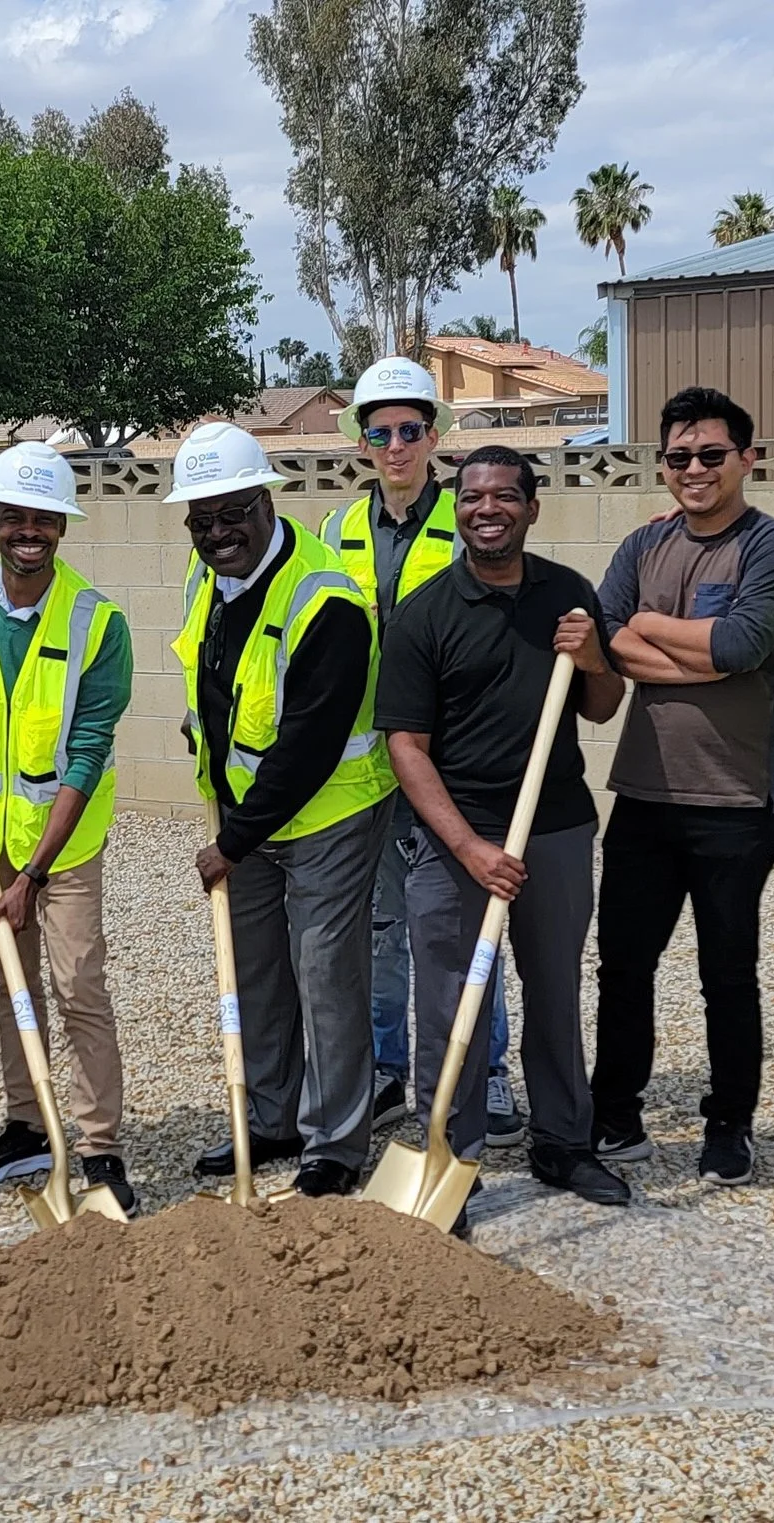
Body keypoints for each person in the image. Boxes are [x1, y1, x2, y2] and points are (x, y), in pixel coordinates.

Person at [377, 445, 631, 1232]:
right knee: (449, 1000)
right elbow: (406, 748)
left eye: (503, 497)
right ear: (458, 511)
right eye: (473, 498)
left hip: (553, 828)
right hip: (457, 840)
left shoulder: (568, 597)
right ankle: (452, 1156)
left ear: (531, 506)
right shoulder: (425, 612)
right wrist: (470, 849)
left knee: (555, 991)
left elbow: (600, 706)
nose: (487, 509)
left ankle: (562, 1140)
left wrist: (593, 659)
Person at [169, 421, 395, 1198]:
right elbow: (214, 677)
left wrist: (231, 841)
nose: (218, 534)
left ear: (267, 500)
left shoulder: (324, 599)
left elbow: (307, 745)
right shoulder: (210, 578)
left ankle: (334, 1142)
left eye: (233, 513)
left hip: (327, 814)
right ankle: (271, 1118)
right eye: (202, 521)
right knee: (258, 973)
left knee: (324, 973)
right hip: (248, 818)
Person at [0, 444, 138, 1213]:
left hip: (63, 846)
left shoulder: (98, 622)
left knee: (77, 982)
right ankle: (27, 1125)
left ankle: (100, 1145)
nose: (28, 530)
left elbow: (84, 756)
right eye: (15, 515)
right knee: (9, 982)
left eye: (43, 518)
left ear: (62, 529)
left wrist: (31, 876)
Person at [589, 388, 774, 1180]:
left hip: (735, 803)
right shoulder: (644, 547)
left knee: (726, 974)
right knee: (623, 965)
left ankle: (729, 1124)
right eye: (679, 457)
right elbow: (605, 638)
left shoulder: (772, 547)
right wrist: (685, 650)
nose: (695, 469)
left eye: (712, 454)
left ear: (747, 458)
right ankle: (615, 1112)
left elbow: (744, 645)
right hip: (643, 794)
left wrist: (646, 628)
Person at [320, 358, 518, 1143]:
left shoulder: (470, 518)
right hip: (366, 761)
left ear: (433, 437)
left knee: (467, 924)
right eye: (380, 432)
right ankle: (387, 1069)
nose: (395, 445)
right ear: (362, 444)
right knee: (379, 925)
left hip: (450, 760)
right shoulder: (335, 533)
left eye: (409, 430)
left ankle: (489, 1070)